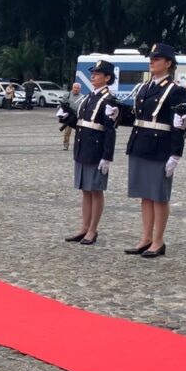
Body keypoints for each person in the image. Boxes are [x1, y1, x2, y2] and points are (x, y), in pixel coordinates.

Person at [123, 43, 186, 258]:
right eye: (151, 59)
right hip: (140, 143)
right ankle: (146, 237)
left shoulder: (175, 90)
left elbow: (178, 125)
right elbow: (137, 117)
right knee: (145, 195)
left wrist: (176, 154)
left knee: (159, 196)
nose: (152, 62)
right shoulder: (144, 87)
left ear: (168, 63)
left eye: (157, 59)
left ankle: (158, 241)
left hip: (160, 147)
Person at [60, 60, 117, 245]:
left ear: (107, 78)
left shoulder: (108, 99)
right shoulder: (89, 97)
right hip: (83, 147)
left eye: (97, 74)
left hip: (96, 150)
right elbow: (83, 123)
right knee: (85, 190)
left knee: (96, 191)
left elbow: (110, 130)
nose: (93, 76)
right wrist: (67, 117)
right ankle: (84, 227)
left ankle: (93, 229)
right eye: (93, 73)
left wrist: (107, 156)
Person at [62, 82, 84, 150]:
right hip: (69, 116)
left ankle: (78, 145)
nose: (76, 89)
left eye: (77, 88)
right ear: (72, 88)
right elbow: (62, 104)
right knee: (67, 132)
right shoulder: (67, 95)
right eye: (74, 87)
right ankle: (65, 145)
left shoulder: (82, 96)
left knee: (79, 132)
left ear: (80, 89)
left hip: (78, 117)